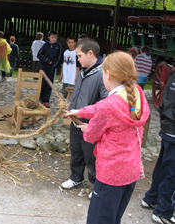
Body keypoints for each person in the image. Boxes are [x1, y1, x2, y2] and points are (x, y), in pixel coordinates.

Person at [65, 51, 150, 224]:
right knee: (114, 217)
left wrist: (86, 128)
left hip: (111, 173)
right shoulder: (137, 93)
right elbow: (103, 110)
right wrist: (80, 111)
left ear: (108, 74)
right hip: (130, 170)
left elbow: (92, 135)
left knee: (99, 219)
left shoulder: (109, 105)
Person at [61, 38, 108, 195]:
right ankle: (76, 177)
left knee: (91, 155)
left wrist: (94, 123)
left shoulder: (103, 74)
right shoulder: (83, 71)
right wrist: (70, 107)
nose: (78, 59)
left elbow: (106, 103)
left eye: (80, 56)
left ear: (90, 53)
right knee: (76, 151)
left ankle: (96, 185)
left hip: (90, 123)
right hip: (76, 119)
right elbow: (76, 93)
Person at [141, 74, 175, 224]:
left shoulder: (173, 77)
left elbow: (164, 101)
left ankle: (151, 198)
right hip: (173, 129)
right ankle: (163, 211)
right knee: (171, 173)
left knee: (163, 167)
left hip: (168, 126)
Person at [37, 30, 62, 108]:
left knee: (49, 84)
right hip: (44, 67)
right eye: (52, 37)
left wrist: (53, 66)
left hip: (52, 69)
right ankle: (40, 98)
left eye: (55, 38)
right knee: (42, 83)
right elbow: (39, 55)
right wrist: (46, 60)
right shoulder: (45, 45)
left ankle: (46, 100)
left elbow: (59, 57)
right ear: (49, 37)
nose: (53, 39)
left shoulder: (58, 46)